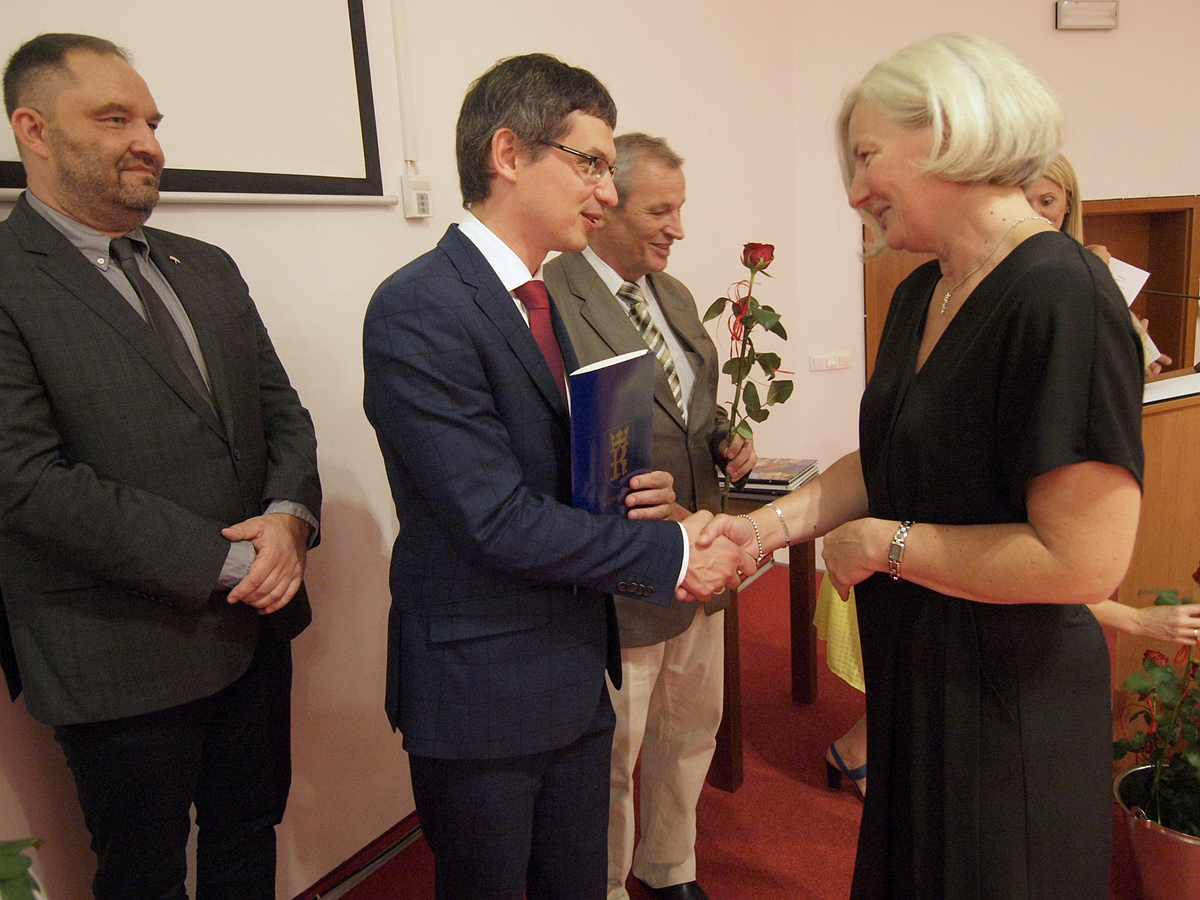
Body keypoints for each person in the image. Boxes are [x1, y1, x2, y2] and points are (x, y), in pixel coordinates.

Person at [701, 32, 1144, 897]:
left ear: (950, 133)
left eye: (867, 157)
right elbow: (890, 458)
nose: (854, 191)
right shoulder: (922, 291)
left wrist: (885, 545)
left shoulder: (1062, 293)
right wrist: (757, 532)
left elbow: (1084, 561)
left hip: (1007, 702)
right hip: (917, 677)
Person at [361, 55, 754, 900]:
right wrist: (677, 556)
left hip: (576, 670)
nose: (606, 192)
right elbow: (495, 518)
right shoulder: (421, 306)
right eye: (590, 164)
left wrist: (653, 508)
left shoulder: (542, 300)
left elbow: (568, 479)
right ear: (509, 154)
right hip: (484, 690)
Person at [0, 33, 321, 900]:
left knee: (247, 838)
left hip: (254, 634)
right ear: (34, 129)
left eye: (151, 121)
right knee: (141, 877)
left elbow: (282, 416)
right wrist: (234, 561)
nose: (148, 141)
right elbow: (25, 482)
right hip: (116, 655)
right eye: (115, 119)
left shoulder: (205, 266)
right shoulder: (8, 278)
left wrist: (289, 521)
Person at [545, 133, 754, 900]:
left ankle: (668, 866)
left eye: (681, 209)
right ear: (606, 207)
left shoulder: (674, 294)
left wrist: (725, 440)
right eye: (660, 211)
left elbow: (690, 407)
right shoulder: (554, 297)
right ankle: (603, 884)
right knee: (616, 748)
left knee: (691, 724)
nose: (679, 229)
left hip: (703, 548)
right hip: (626, 564)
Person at [1025, 153, 1172, 376]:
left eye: (1047, 201)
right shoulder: (1007, 270)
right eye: (1024, 203)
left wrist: (1135, 348)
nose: (1035, 214)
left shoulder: (1080, 261)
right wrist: (1092, 270)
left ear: (1068, 204)